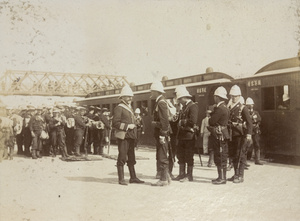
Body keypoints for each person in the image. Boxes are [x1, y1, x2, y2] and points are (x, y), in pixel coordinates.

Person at [113, 85, 144, 185]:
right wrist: (127, 126)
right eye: (127, 96)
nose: (130, 98)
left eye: (131, 96)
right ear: (122, 97)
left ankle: (133, 177)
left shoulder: (129, 107)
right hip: (124, 136)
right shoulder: (119, 108)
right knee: (122, 157)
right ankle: (121, 179)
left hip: (131, 136)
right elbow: (115, 123)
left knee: (131, 158)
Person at [227, 85, 252, 184]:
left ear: (239, 96)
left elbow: (249, 122)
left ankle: (240, 176)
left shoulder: (243, 108)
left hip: (240, 135)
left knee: (240, 155)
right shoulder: (229, 107)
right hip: (231, 135)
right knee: (233, 155)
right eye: (232, 96)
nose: (233, 98)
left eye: (235, 96)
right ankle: (235, 174)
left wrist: (249, 134)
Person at [173, 85, 198, 182]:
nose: (178, 101)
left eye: (179, 99)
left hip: (189, 136)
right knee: (181, 155)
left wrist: (182, 122)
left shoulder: (193, 106)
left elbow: (193, 120)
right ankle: (181, 174)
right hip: (182, 135)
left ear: (183, 98)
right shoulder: (184, 107)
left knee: (189, 155)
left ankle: (189, 176)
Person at [150, 81, 171, 186]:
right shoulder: (160, 101)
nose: (151, 93)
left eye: (152, 91)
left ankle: (163, 180)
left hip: (161, 133)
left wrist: (162, 134)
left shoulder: (161, 103)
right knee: (161, 154)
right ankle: (166, 177)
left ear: (156, 91)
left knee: (162, 155)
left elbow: (165, 121)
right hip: (160, 132)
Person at [208, 87, 230, 185]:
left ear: (217, 97)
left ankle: (221, 178)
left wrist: (211, 114)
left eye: (215, 96)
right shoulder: (225, 107)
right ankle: (222, 177)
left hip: (219, 135)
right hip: (223, 134)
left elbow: (211, 121)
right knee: (222, 155)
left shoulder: (219, 109)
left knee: (219, 155)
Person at [245, 97, 263, 165]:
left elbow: (259, 120)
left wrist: (257, 125)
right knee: (247, 145)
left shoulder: (256, 113)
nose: (250, 106)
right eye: (249, 105)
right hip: (248, 131)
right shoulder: (245, 113)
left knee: (257, 144)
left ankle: (257, 160)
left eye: (251, 105)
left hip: (255, 131)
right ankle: (245, 161)